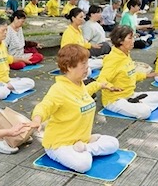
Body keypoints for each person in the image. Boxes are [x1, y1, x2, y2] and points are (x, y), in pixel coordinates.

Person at [31, 44, 119, 173]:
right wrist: (37, 120)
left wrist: (101, 85)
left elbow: (84, 94)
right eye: (83, 64)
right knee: (84, 164)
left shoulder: (79, 84)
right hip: (60, 144)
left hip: (80, 140)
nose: (87, 66)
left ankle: (85, 148)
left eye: (87, 63)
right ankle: (84, 149)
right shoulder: (59, 89)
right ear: (69, 67)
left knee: (114, 143)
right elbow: (44, 106)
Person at [96, 26, 158, 119]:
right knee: (144, 113)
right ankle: (138, 105)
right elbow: (101, 79)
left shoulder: (126, 54)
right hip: (115, 100)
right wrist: (110, 87)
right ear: (120, 41)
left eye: (133, 37)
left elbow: (131, 74)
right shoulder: (113, 59)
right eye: (130, 38)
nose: (133, 40)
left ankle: (135, 103)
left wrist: (147, 75)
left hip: (130, 94)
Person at [61, 8, 103, 72]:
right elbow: (66, 51)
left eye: (83, 17)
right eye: (80, 17)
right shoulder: (68, 32)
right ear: (73, 18)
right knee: (87, 71)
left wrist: (91, 45)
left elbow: (82, 43)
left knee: (104, 62)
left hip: (81, 59)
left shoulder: (79, 30)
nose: (83, 19)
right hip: (73, 61)